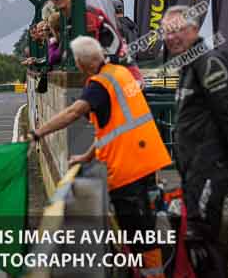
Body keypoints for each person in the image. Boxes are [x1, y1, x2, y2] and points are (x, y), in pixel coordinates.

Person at [27, 35, 172, 278]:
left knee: (139, 236)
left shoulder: (99, 85)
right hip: (146, 163)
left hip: (128, 172)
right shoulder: (120, 73)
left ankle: (153, 274)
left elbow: (73, 112)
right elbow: (115, 131)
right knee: (144, 229)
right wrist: (86, 156)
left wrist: (38, 132)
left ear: (82, 64)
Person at [162, 5, 228, 277]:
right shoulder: (189, 66)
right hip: (194, 170)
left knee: (200, 237)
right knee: (197, 242)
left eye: (176, 30)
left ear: (194, 29)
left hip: (210, 166)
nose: (171, 37)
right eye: (166, 32)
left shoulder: (208, 62)